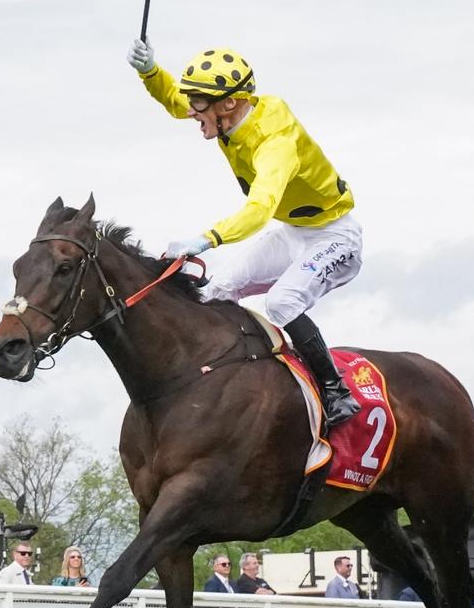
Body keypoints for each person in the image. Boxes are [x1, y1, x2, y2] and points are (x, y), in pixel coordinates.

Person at [127, 38, 362, 430]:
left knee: (283, 302)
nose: (192, 112)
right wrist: (150, 71)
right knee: (216, 292)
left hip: (335, 237)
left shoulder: (275, 142)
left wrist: (205, 239)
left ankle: (335, 391)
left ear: (228, 104)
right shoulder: (228, 109)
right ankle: (229, 381)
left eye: (199, 105)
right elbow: (173, 100)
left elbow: (259, 210)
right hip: (294, 233)